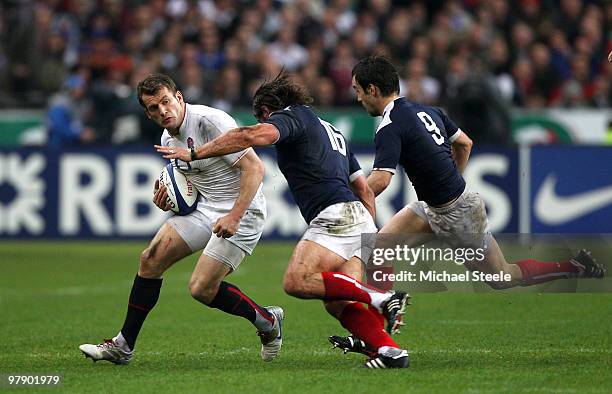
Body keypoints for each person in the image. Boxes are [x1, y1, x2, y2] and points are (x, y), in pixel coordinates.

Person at [329, 55, 606, 356]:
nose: (356, 97)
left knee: (502, 277)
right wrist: (450, 178)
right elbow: (465, 143)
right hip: (435, 205)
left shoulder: (389, 126)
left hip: (458, 214)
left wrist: (344, 204)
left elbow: (381, 180)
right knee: (381, 245)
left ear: (372, 89)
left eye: (357, 89)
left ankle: (574, 265)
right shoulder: (429, 110)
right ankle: (381, 333)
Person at [156, 73, 411, 369]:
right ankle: (390, 351)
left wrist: (194, 152)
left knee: (296, 280)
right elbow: (364, 189)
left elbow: (251, 136)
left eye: (262, 117)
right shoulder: (331, 130)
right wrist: (370, 240)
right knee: (338, 301)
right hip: (360, 218)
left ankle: (381, 296)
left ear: (267, 112)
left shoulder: (290, 116)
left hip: (334, 214)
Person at [79, 73, 283, 364]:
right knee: (150, 259)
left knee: (201, 289)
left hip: (244, 209)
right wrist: (167, 197)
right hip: (207, 209)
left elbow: (255, 169)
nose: (162, 111)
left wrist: (235, 216)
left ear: (179, 98)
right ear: (148, 114)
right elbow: (192, 187)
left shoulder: (209, 122)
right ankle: (123, 346)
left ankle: (268, 322)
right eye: (153, 108)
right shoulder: (167, 137)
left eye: (165, 102)